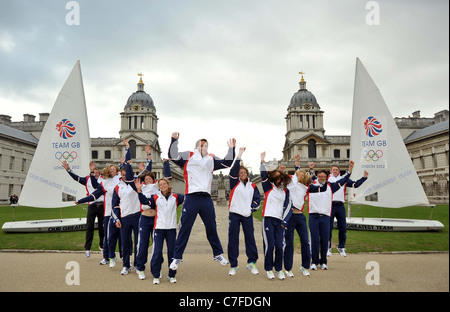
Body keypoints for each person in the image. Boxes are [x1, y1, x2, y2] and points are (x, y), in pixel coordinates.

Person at [168, 132, 235, 271]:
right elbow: (172, 155)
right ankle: (177, 257)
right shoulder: (188, 156)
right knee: (185, 228)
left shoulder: (211, 158)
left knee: (211, 227)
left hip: (206, 198)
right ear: (197, 146)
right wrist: (174, 140)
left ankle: (217, 254)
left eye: (207, 145)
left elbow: (227, 163)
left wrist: (231, 150)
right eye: (202, 145)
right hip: (191, 197)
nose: (205, 147)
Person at [135, 177, 184, 284]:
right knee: (157, 253)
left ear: (168, 184)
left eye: (164, 184)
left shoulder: (176, 197)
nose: (162, 186)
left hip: (171, 229)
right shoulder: (155, 197)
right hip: (159, 229)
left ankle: (171, 275)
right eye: (160, 184)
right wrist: (139, 191)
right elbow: (144, 201)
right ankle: (156, 275)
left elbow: (188, 199)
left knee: (172, 254)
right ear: (159, 187)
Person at [307, 160, 354, 270]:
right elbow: (306, 177)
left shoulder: (331, 186)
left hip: (325, 217)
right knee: (314, 240)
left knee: (324, 239)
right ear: (317, 177)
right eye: (320, 176)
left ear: (327, 177)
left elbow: (344, 180)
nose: (321, 178)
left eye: (324, 176)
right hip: (313, 216)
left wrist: (350, 169)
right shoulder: (312, 185)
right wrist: (310, 169)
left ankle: (323, 262)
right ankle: (314, 262)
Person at [227, 147, 261, 276]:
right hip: (234, 214)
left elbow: (257, 200)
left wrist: (250, 208)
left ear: (247, 174)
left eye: (244, 172)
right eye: (240, 172)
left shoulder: (252, 186)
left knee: (250, 239)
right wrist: (240, 154)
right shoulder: (234, 183)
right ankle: (233, 265)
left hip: (247, 215)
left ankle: (251, 262)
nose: (242, 174)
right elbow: (233, 169)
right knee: (233, 239)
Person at [260, 152, 292, 280]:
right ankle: (269, 269)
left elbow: (289, 207)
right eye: (276, 178)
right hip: (268, 219)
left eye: (280, 178)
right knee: (270, 245)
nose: (279, 180)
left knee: (280, 246)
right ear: (273, 179)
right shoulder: (268, 187)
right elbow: (263, 175)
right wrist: (262, 161)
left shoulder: (285, 191)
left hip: (280, 221)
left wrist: (285, 221)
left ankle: (278, 269)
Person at [63, 160, 104, 257]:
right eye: (94, 171)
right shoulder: (87, 179)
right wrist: (68, 170)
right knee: (89, 227)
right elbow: (76, 178)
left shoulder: (103, 179)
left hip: (102, 205)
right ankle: (88, 248)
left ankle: (102, 247)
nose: (95, 173)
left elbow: (96, 186)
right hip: (92, 205)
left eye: (96, 171)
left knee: (102, 228)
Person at [328, 165, 368, 257]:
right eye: (333, 169)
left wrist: (364, 177)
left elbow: (355, 184)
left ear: (339, 171)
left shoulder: (343, 179)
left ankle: (341, 247)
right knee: (329, 228)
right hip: (330, 205)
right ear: (331, 171)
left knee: (343, 228)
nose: (335, 171)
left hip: (340, 205)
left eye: (337, 170)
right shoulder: (328, 179)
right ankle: (328, 247)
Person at [283, 154, 312, 278]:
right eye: (298, 173)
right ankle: (288, 268)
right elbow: (294, 176)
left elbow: (307, 178)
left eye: (302, 174)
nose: (300, 174)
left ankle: (305, 267)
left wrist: (305, 170)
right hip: (290, 217)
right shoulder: (291, 185)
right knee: (289, 243)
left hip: (300, 217)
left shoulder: (304, 187)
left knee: (305, 242)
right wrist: (296, 163)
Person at [111, 162, 141, 275]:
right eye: (123, 175)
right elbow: (114, 205)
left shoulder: (136, 183)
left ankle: (137, 264)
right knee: (125, 242)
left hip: (137, 215)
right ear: (121, 175)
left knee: (139, 241)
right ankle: (126, 265)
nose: (125, 176)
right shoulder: (118, 187)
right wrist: (116, 219)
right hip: (124, 217)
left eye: (127, 174)